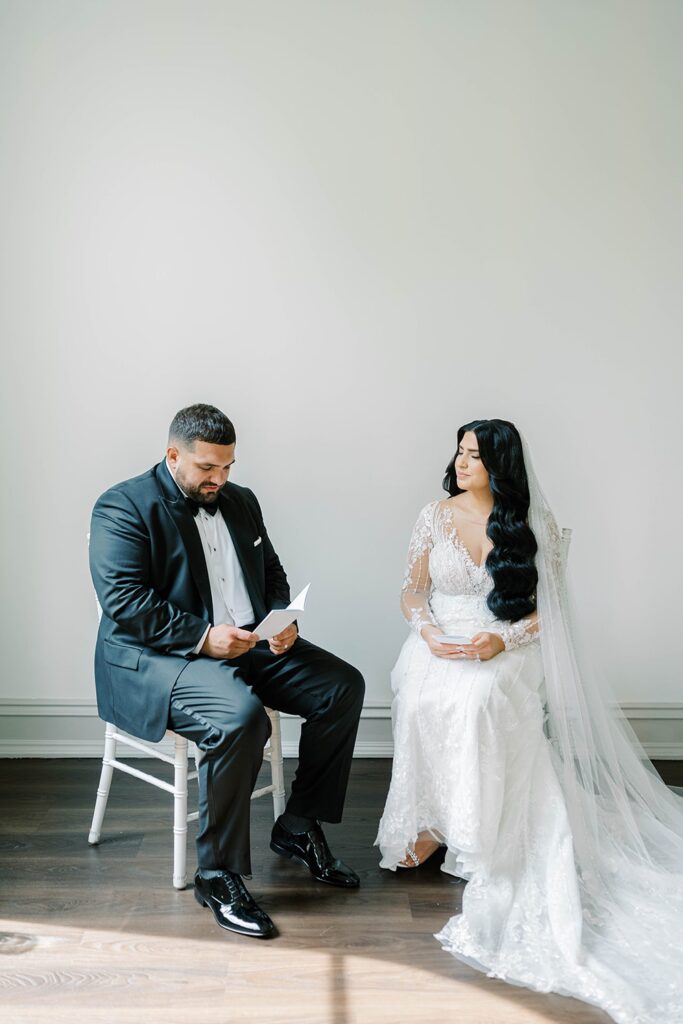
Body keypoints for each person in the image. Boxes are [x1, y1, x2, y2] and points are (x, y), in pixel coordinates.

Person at [376, 419, 683, 1024]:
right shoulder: (433, 516)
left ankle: (479, 826)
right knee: (418, 696)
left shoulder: (534, 524)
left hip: (507, 642)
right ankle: (430, 820)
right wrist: (429, 632)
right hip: (441, 637)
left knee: (481, 701)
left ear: (501, 465)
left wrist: (504, 640)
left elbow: (553, 612)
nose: (461, 463)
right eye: (459, 452)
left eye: (474, 456)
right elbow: (412, 591)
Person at [90, 403, 365, 939]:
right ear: (173, 455)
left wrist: (282, 621)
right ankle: (216, 875)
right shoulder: (122, 505)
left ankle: (297, 825)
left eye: (228, 466)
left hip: (248, 640)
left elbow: (272, 573)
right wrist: (202, 637)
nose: (219, 479)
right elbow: (124, 600)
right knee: (241, 719)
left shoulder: (241, 500)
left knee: (341, 686)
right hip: (163, 656)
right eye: (207, 468)